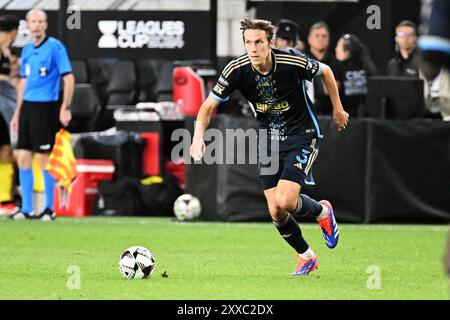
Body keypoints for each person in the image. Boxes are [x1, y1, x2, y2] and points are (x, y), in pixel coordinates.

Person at [190, 17, 348, 276]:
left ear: (270, 43)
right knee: (275, 209)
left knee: (285, 200)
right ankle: (306, 257)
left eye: (259, 42)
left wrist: (338, 109)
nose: (253, 48)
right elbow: (208, 106)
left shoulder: (290, 61)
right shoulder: (236, 70)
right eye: (248, 43)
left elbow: (326, 71)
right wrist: (197, 138)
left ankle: (322, 212)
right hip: (269, 138)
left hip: (302, 134)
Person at [9, 9, 74, 220]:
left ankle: (49, 208)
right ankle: (27, 209)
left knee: (43, 158)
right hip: (27, 106)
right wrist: (17, 113)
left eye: (40, 21)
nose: (36, 25)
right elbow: (23, 83)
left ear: (46, 25)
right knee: (23, 157)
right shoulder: (27, 50)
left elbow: (69, 78)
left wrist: (65, 106)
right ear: (27, 24)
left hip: (46, 106)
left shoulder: (55, 47)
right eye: (32, 21)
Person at [0, 15, 19, 215]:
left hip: (6, 106)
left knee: (6, 152)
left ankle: (5, 201)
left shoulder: (9, 53)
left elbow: (14, 74)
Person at [306, 21, 344, 115]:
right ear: (309, 39)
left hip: (329, 115)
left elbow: (330, 90)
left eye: (324, 36)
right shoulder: (301, 60)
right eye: (317, 36)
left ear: (328, 39)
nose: (321, 39)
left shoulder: (336, 63)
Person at [335, 33, 377, 117]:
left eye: (338, 47)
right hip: (366, 117)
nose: (336, 49)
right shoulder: (368, 68)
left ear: (346, 52)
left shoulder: (338, 68)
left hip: (346, 117)